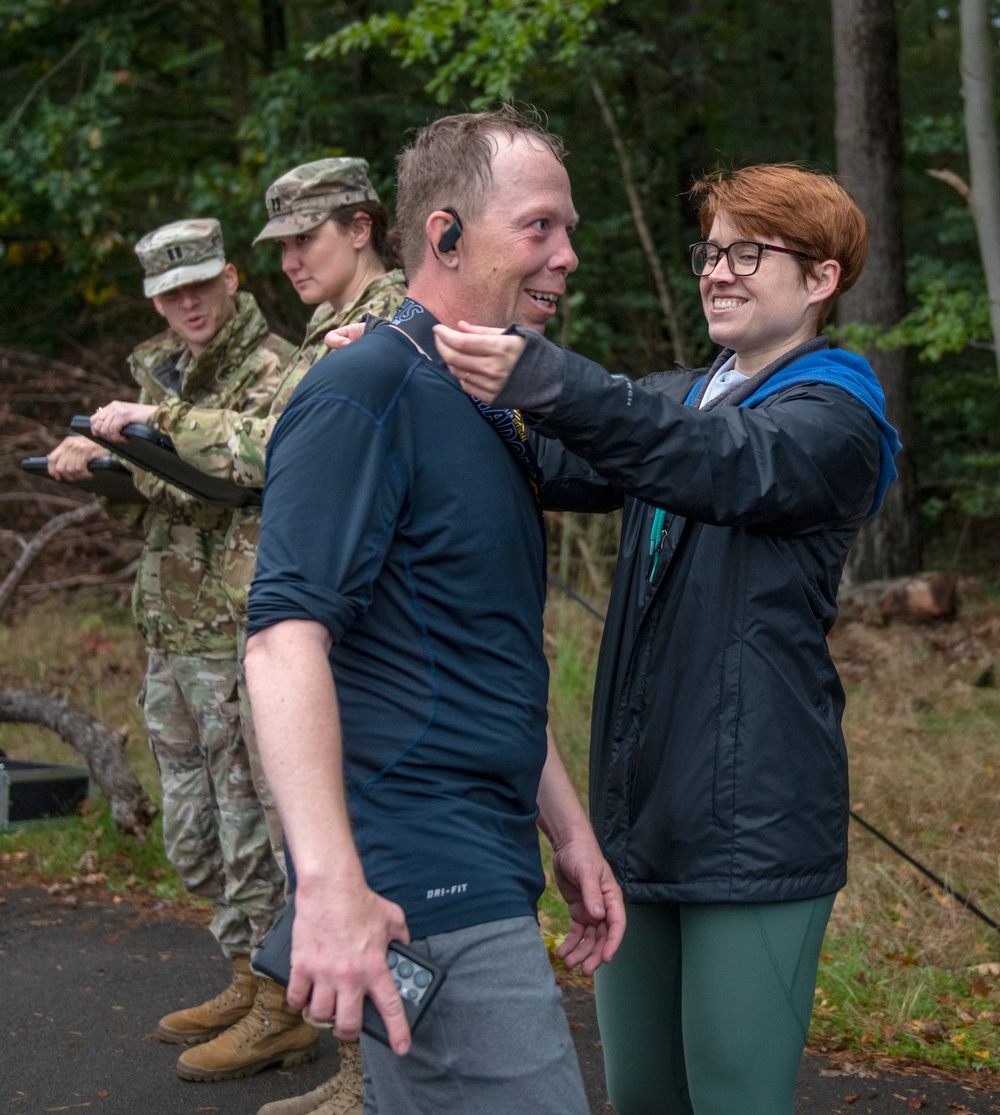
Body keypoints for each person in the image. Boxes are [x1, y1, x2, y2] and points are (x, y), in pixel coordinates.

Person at [434, 163, 902, 1115]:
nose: (718, 272)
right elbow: (557, 450)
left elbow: (716, 466)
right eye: (711, 252)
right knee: (643, 1092)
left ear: (821, 280)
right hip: (639, 818)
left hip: (755, 826)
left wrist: (554, 378)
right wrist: (419, 365)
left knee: (734, 1096)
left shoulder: (836, 416)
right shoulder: (684, 397)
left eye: (748, 253)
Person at [243, 106, 625, 1115]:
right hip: (421, 873)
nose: (567, 256)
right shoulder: (360, 389)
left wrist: (569, 831)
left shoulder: (483, 402)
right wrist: (328, 885)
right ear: (444, 233)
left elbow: (472, 653)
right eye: (539, 226)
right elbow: (283, 642)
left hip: (490, 853)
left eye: (570, 228)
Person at [89, 158, 406, 1115]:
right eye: (283, 243)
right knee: (313, 846)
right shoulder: (339, 327)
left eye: (306, 238)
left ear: (361, 225)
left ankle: (363, 1074)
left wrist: (161, 421)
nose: (292, 260)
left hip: (352, 625)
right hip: (314, 619)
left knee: (347, 850)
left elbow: (278, 447)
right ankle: (353, 1068)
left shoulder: (382, 325)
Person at [47, 219, 317, 1083]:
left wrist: (140, 441)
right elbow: (160, 504)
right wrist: (98, 467)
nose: (188, 303)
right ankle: (244, 972)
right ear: (153, 302)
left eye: (201, 283)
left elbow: (249, 477)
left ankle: (283, 1000)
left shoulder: (277, 368)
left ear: (233, 277)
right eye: (170, 293)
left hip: (244, 636)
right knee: (194, 837)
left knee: (253, 832)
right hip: (173, 631)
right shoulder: (154, 370)